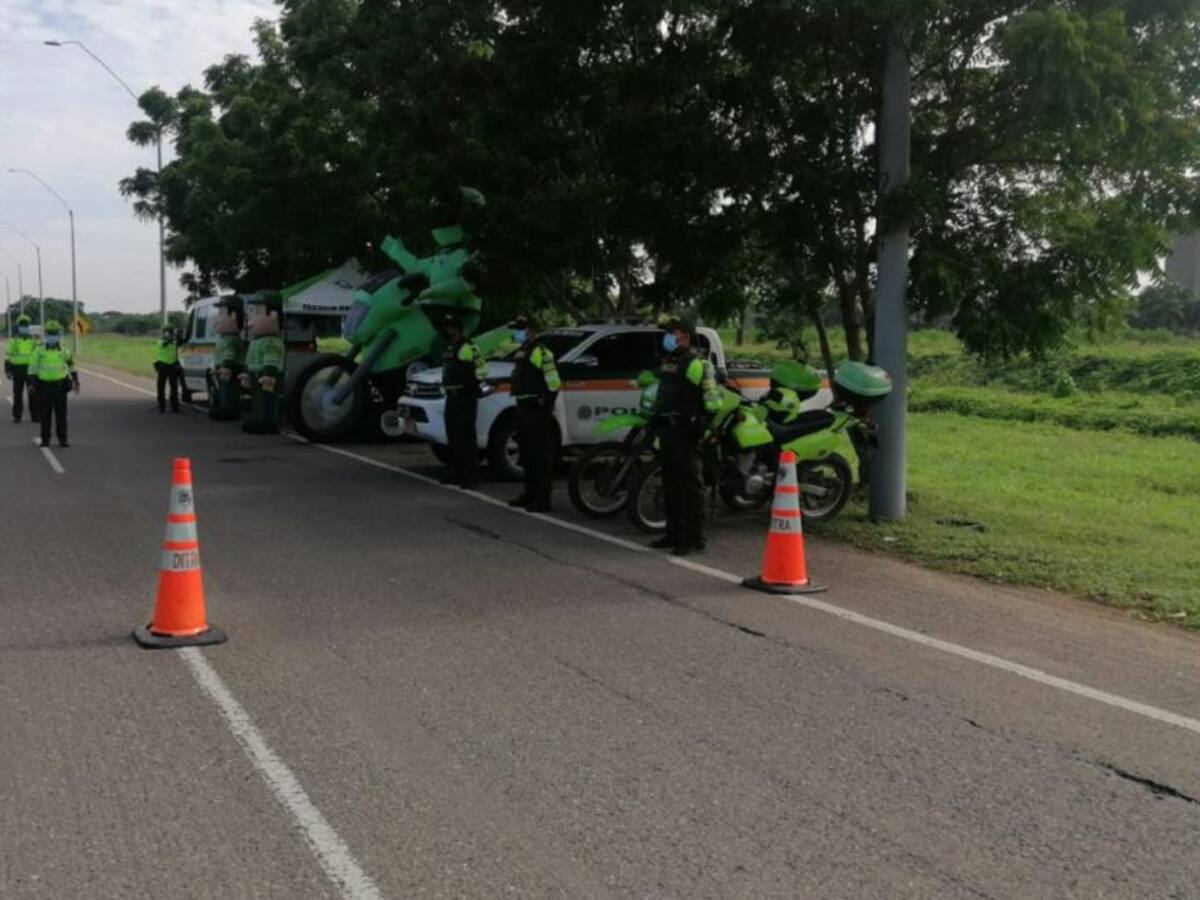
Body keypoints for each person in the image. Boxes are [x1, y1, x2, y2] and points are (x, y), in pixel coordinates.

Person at [653, 315, 721, 556]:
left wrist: (699, 424)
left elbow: (712, 402)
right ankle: (674, 532)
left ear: (686, 335)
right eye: (668, 331)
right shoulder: (669, 360)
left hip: (685, 430)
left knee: (690, 485)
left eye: (673, 331)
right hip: (668, 428)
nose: (669, 336)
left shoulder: (696, 363)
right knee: (671, 483)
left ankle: (693, 537)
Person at [508, 316, 562, 512]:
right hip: (523, 408)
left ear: (531, 330)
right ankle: (529, 493)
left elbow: (554, 381)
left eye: (520, 329)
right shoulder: (524, 351)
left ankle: (542, 498)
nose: (516, 333)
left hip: (536, 411)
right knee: (527, 454)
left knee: (539, 456)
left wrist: (545, 404)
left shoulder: (541, 352)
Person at [439, 314, 487, 488]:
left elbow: (482, 369)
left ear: (458, 329)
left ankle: (470, 475)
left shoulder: (469, 347)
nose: (446, 330)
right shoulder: (449, 348)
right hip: (451, 398)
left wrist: (470, 385)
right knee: (453, 436)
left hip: (465, 397)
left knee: (466, 437)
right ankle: (456, 471)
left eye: (449, 327)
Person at [239, 293, 286, 434]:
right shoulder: (256, 342)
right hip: (256, 376)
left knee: (268, 401)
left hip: (266, 377)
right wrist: (246, 373)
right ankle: (260, 419)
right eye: (251, 311)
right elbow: (250, 359)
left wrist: (269, 375)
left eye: (257, 312)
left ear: (273, 315)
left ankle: (268, 422)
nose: (250, 317)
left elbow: (271, 359)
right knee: (258, 401)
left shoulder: (272, 342)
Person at [28, 320, 79, 448]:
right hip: (44, 387)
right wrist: (31, 384)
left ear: (59, 335)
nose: (52, 336)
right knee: (45, 416)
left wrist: (76, 380)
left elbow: (71, 365)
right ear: (45, 334)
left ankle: (63, 439)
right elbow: (32, 368)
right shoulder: (39, 350)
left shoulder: (64, 350)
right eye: (50, 333)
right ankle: (45, 440)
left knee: (61, 415)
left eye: (54, 333)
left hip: (60, 387)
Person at [4, 314, 37, 423]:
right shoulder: (14, 341)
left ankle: (35, 416)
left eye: (26, 325)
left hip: (31, 370)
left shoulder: (34, 341)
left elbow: (39, 355)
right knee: (17, 393)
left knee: (33, 393)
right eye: (22, 325)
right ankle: (17, 415)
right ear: (19, 327)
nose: (24, 327)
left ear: (29, 326)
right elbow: (8, 356)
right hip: (17, 369)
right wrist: (7, 370)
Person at [154, 325, 184, 413]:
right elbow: (165, 344)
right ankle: (161, 406)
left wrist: (179, 336)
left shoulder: (174, 342)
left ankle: (175, 406)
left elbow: (182, 343)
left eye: (171, 332)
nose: (171, 334)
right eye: (170, 332)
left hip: (173, 365)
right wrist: (172, 338)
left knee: (174, 387)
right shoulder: (160, 341)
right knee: (161, 386)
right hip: (162, 365)